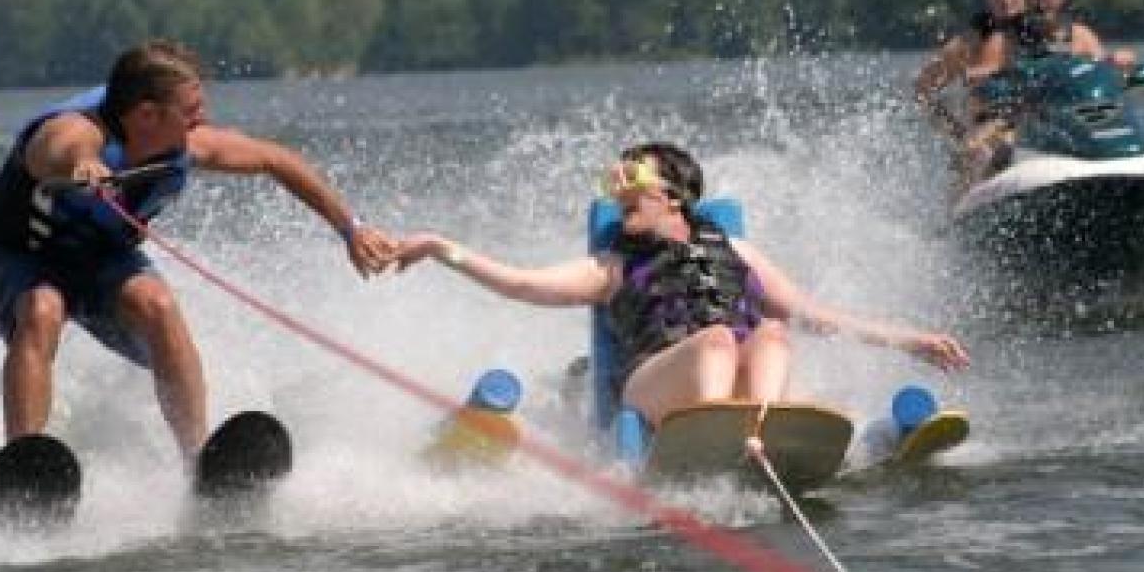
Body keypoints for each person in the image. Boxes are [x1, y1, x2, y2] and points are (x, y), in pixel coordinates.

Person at [0, 39, 397, 462]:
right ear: (146, 114)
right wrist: (82, 163)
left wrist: (351, 228)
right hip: (26, 256)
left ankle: (198, 459)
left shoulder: (189, 143)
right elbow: (56, 146)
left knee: (157, 304)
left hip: (101, 258)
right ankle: (21, 465)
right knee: (42, 311)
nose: (203, 118)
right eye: (191, 110)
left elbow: (276, 159)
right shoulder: (78, 130)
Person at [395, 142, 969, 428]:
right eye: (615, 180)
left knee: (771, 329)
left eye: (633, 177)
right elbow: (519, 284)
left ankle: (765, 428)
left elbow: (813, 313)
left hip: (738, 392)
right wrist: (441, 249)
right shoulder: (612, 266)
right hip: (652, 389)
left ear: (672, 195)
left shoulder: (735, 251)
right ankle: (717, 433)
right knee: (719, 340)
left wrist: (908, 341)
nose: (618, 188)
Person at [914, 0, 1028, 201]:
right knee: (975, 151)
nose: (1006, 0)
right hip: (988, 132)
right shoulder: (969, 43)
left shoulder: (1045, 31)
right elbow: (922, 90)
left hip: (1039, 122)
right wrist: (955, 133)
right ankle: (956, 222)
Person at [983, 0, 1136, 70]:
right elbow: (982, 88)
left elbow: (1104, 70)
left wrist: (1118, 61)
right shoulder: (1003, 40)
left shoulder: (1081, 37)